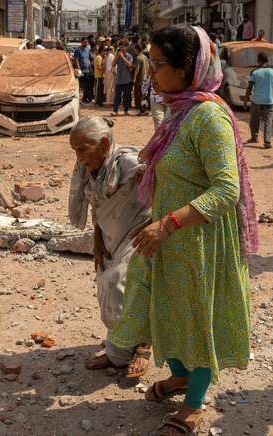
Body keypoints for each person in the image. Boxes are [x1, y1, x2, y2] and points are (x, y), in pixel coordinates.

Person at [109, 24, 257, 435]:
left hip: (198, 241)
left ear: (187, 67)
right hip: (167, 236)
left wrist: (170, 222)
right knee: (165, 311)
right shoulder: (180, 110)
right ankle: (179, 376)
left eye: (158, 65)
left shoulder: (208, 116)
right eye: (151, 63)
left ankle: (193, 404)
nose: (151, 72)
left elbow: (226, 189)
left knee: (197, 317)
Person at [68, 116, 153, 379]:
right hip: (109, 237)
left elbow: (157, 187)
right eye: (75, 151)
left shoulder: (128, 163)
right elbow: (97, 207)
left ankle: (144, 343)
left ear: (104, 143)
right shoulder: (88, 169)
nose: (80, 157)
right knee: (105, 286)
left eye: (83, 149)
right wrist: (97, 239)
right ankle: (118, 353)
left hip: (137, 234)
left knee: (121, 283)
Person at [244, 52, 273, 148]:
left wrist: (245, 101)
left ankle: (254, 137)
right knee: (268, 122)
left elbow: (250, 87)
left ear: (258, 61)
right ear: (267, 61)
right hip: (269, 101)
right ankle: (267, 141)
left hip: (256, 101)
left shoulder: (254, 72)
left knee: (254, 120)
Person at [112, 41, 134, 116]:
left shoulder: (129, 56)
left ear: (126, 47)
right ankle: (115, 111)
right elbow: (113, 64)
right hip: (119, 80)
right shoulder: (117, 55)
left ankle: (126, 110)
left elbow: (130, 65)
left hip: (127, 80)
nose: (121, 48)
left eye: (123, 47)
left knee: (127, 96)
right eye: (120, 47)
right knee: (117, 96)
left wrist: (122, 57)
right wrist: (117, 57)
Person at [74, 37, 95, 103]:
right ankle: (83, 99)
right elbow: (76, 60)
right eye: (85, 42)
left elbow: (90, 58)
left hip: (88, 70)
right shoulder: (78, 50)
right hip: (82, 71)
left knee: (88, 86)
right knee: (83, 86)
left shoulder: (87, 49)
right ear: (81, 42)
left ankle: (86, 98)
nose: (86, 43)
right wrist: (79, 69)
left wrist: (91, 68)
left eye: (87, 42)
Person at [132, 44, 149, 115]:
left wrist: (134, 78)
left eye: (134, 50)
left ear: (137, 49)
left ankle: (141, 110)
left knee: (138, 95)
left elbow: (137, 69)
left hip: (140, 80)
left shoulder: (138, 58)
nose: (134, 51)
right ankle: (144, 109)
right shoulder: (145, 57)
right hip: (145, 79)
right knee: (143, 95)